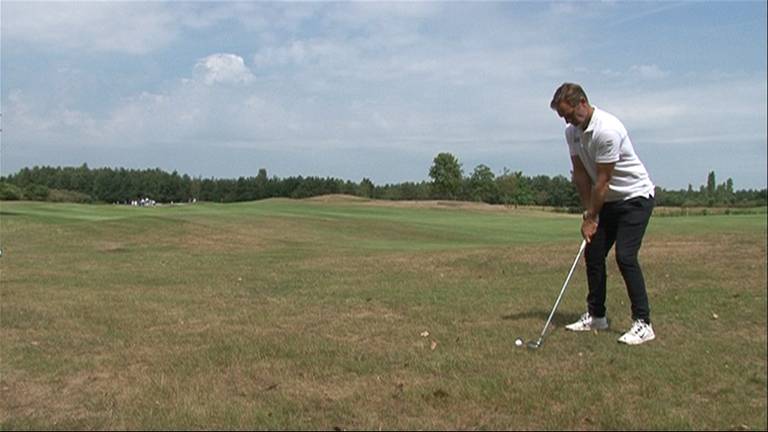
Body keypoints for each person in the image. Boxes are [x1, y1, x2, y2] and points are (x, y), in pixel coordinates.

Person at [550, 82, 656, 345]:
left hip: (634, 198)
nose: (568, 121)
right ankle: (597, 316)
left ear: (583, 104)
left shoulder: (607, 130)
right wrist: (589, 212)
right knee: (594, 253)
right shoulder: (571, 132)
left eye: (570, 114)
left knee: (625, 256)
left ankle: (643, 323)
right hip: (607, 200)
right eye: (563, 117)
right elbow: (581, 175)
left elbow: (603, 181)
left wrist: (592, 217)